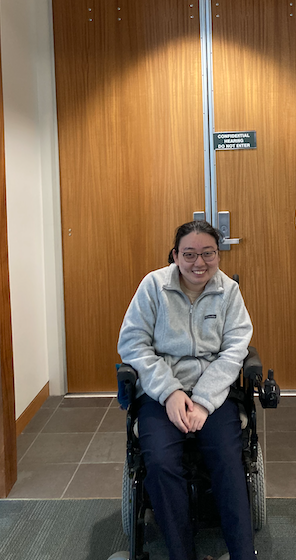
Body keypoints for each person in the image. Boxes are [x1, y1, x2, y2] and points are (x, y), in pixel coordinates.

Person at [117, 220, 254, 560]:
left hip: (214, 394)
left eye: (208, 253)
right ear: (175, 255)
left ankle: (242, 554)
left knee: (227, 458)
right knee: (161, 462)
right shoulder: (154, 286)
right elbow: (132, 343)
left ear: (217, 255)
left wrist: (204, 401)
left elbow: (235, 349)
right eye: (190, 254)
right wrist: (170, 392)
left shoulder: (228, 292)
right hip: (161, 392)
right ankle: (182, 554)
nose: (199, 263)